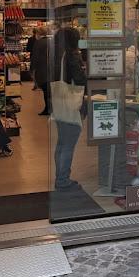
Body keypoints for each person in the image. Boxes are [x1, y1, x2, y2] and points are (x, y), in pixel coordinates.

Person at [52, 27, 87, 191]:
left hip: (59, 102)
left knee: (61, 142)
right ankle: (62, 180)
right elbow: (80, 79)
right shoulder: (72, 56)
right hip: (71, 103)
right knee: (68, 143)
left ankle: (60, 176)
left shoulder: (57, 55)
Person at [30, 27, 52, 115]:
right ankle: (50, 108)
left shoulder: (38, 43)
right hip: (51, 69)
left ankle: (47, 109)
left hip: (42, 70)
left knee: (45, 90)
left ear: (38, 34)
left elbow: (35, 57)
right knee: (49, 90)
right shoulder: (50, 41)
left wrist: (32, 70)